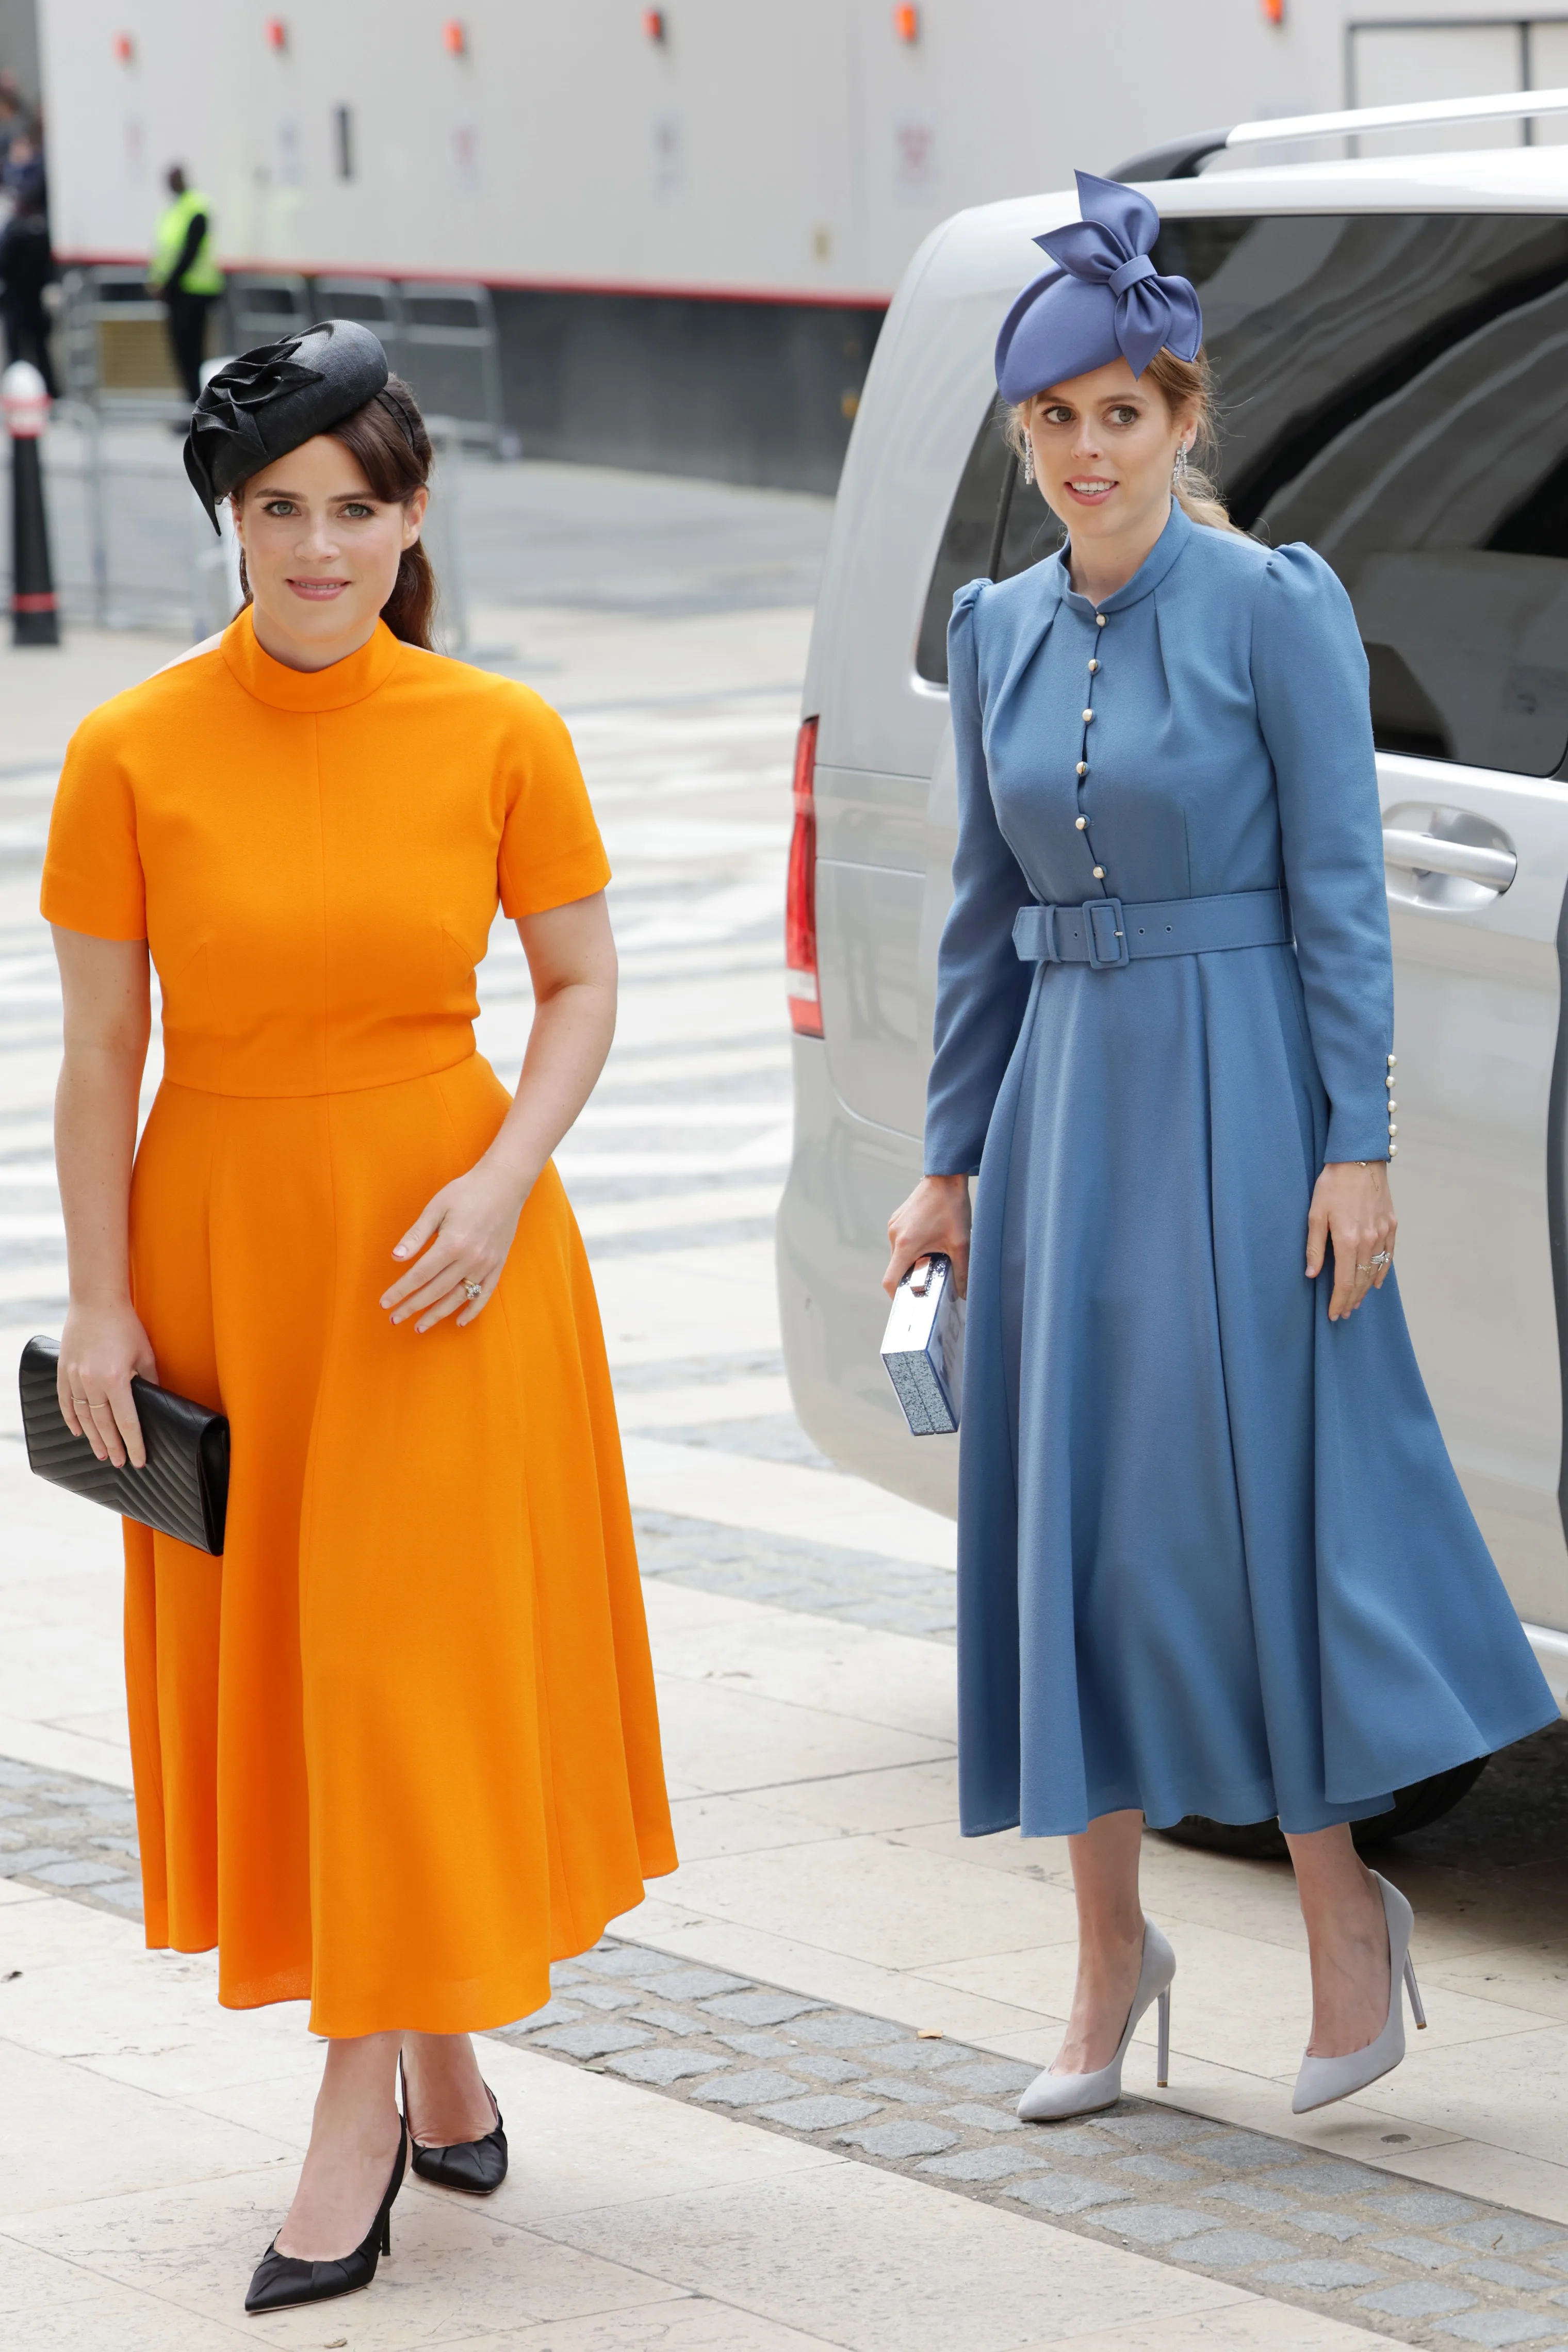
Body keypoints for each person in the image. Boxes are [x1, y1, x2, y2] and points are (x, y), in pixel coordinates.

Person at [884, 172, 1557, 2126]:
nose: (1086, 450)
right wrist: (945, 1161)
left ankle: (1344, 1913)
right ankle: (1107, 1954)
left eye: (1122, 412)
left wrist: (1355, 1143)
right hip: (1061, 1112)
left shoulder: (1273, 606)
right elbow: (981, 918)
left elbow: (1340, 892)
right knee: (1069, 1531)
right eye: (1054, 419)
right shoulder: (996, 630)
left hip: (1247, 1094)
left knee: (1256, 1520)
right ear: (1022, 436)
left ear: (1184, 420)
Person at [42, 320, 676, 2313]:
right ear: (232, 524)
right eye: (278, 509)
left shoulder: (499, 731)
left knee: (403, 1668)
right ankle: (441, 2052)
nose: (317, 548)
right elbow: (98, 1051)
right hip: (227, 1253)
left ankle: (356, 2116)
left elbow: (578, 984)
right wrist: (96, 1301)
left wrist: (502, 1183)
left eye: (354, 509)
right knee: (309, 1677)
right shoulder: (128, 747)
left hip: (446, 1259)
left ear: (414, 519)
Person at [148, 164, 222, 402]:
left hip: (195, 292)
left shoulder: (196, 207)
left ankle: (200, 404)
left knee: (193, 353)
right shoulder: (174, 209)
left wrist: (167, 283)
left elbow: (190, 252)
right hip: (177, 293)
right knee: (181, 353)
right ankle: (192, 402)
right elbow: (165, 252)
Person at [0, 175, 57, 395]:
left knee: (17, 351)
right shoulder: (43, 231)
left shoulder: (14, 232)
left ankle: (14, 393)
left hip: (16, 300)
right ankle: (50, 391)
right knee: (40, 350)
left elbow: (3, 263)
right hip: (35, 299)